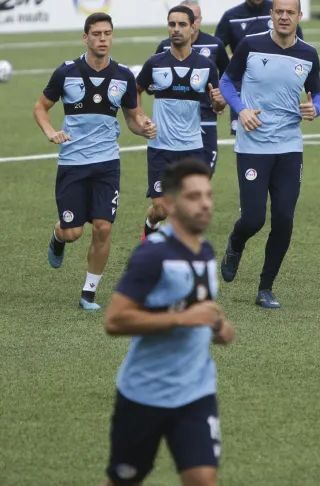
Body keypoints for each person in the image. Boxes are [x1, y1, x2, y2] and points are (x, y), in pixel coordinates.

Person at [102, 158, 235, 486]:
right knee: (123, 480)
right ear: (171, 204)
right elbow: (115, 320)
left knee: (204, 479)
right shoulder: (152, 256)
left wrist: (217, 326)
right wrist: (183, 319)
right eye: (193, 197)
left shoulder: (205, 251)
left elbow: (204, 317)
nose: (204, 204)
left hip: (195, 393)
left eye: (208, 195)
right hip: (144, 394)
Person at [33, 12, 156, 310]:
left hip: (107, 164)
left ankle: (89, 292)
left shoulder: (124, 75)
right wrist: (50, 131)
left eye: (108, 33)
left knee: (103, 227)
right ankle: (58, 237)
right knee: (73, 232)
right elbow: (41, 107)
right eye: (97, 34)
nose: (103, 39)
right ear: (85, 37)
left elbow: (132, 119)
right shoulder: (66, 72)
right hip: (73, 163)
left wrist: (144, 128)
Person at [218, 0, 320, 309]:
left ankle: (266, 287)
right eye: (279, 11)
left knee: (284, 219)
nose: (284, 17)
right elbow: (226, 83)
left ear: (299, 16)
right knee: (253, 219)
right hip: (252, 146)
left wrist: (314, 109)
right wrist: (241, 109)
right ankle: (236, 242)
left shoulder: (308, 54)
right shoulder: (251, 45)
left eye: (290, 12)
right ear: (271, 15)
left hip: (289, 148)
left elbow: (316, 94)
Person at [138, 5, 227, 239]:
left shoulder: (206, 66)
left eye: (182, 24)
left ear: (193, 27)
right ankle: (150, 222)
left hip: (192, 146)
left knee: (191, 204)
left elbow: (217, 105)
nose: (176, 29)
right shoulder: (155, 63)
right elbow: (134, 91)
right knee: (162, 209)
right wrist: (140, 117)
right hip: (160, 147)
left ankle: (179, 251)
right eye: (172, 24)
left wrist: (219, 102)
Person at [213, 0, 304, 136]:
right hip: (243, 92)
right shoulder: (231, 17)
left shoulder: (280, 13)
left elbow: (299, 49)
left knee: (279, 136)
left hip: (277, 91)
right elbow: (214, 52)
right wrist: (231, 59)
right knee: (246, 139)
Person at [154, 0, 229, 175]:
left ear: (199, 20)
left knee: (202, 177)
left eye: (192, 18)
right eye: (176, 22)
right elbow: (150, 83)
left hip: (205, 119)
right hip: (173, 123)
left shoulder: (215, 44)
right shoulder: (165, 46)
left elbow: (228, 77)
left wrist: (221, 100)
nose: (184, 25)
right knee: (174, 185)